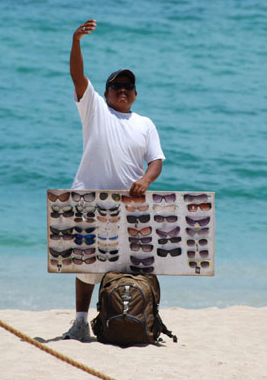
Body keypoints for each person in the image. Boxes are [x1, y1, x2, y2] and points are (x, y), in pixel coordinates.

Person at [62, 19, 165, 341]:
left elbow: (157, 160)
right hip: (89, 198)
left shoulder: (145, 123)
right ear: (105, 92)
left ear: (135, 94)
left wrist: (146, 180)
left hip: (129, 204)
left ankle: (124, 318)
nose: (122, 90)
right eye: (116, 86)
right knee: (86, 263)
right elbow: (77, 76)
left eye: (127, 87)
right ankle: (80, 321)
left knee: (128, 263)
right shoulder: (95, 109)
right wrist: (76, 40)